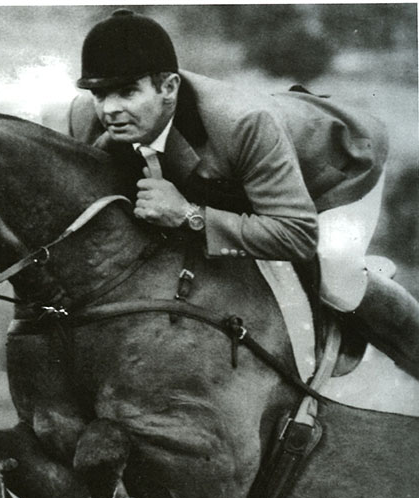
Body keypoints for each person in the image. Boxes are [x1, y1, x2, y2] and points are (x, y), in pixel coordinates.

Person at [68, 8, 419, 380]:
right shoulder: (85, 120)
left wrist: (191, 215)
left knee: (334, 274)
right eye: (100, 93)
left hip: (337, 171)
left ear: (169, 87)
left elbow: (297, 236)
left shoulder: (243, 124)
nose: (110, 109)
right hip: (251, 186)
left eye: (126, 92)